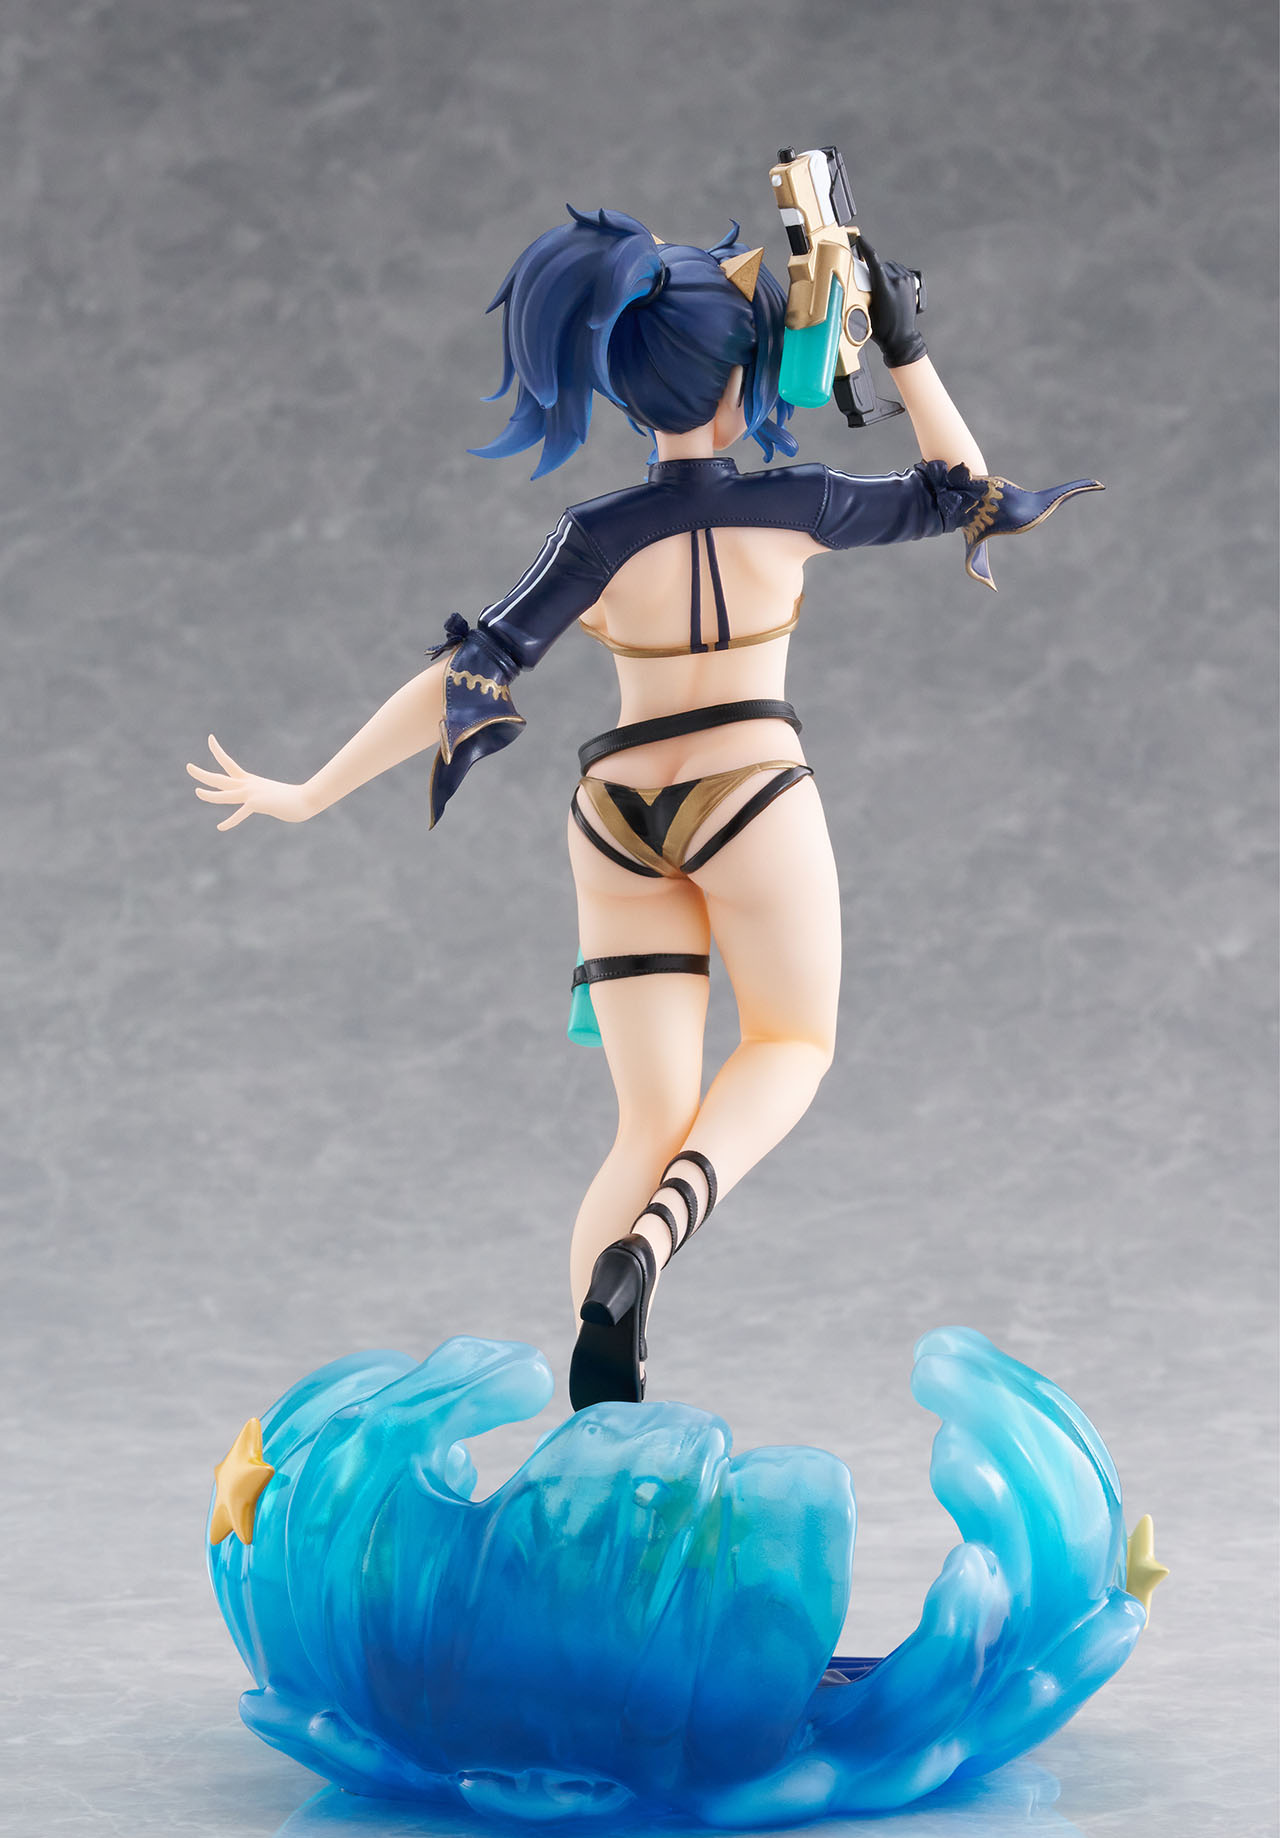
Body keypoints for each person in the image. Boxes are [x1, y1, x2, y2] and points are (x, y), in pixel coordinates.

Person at [189, 205, 1099, 1411]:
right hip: (748, 794)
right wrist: (904, 347)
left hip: (615, 816)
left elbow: (468, 671)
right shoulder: (797, 503)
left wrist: (309, 790)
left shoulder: (595, 535)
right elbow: (966, 495)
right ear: (744, 372)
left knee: (646, 1120)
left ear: (623, 387)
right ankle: (652, 1245)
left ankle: (594, 1424)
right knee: (789, 1046)